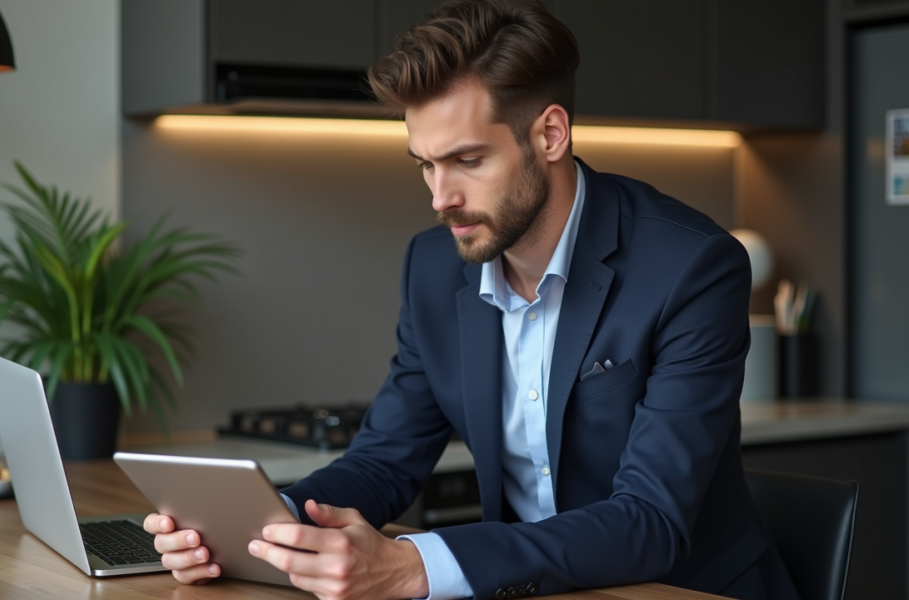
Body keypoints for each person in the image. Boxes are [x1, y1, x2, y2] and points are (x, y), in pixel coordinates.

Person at [144, 1, 801, 599]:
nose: (440, 197)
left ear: (549, 135)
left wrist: (415, 565)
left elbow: (652, 521)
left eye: (467, 161)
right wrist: (266, 526)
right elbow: (383, 463)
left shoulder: (692, 267)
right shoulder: (433, 268)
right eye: (425, 164)